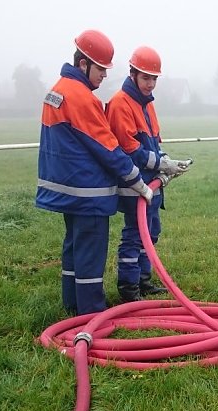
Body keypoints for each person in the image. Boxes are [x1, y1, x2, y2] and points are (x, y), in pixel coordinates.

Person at [36, 30, 154, 315]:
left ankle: (72, 304)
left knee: (74, 249)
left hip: (67, 190)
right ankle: (91, 312)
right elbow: (108, 148)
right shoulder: (82, 98)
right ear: (83, 64)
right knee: (90, 253)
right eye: (100, 69)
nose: (104, 75)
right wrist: (137, 181)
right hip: (88, 193)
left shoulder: (57, 90)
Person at [105, 45, 191, 302]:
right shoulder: (121, 103)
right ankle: (128, 288)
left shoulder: (146, 104)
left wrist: (167, 161)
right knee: (135, 235)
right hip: (134, 183)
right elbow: (131, 150)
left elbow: (153, 142)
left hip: (151, 183)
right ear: (132, 74)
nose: (151, 84)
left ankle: (143, 280)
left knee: (151, 233)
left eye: (154, 78)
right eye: (146, 78)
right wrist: (162, 165)